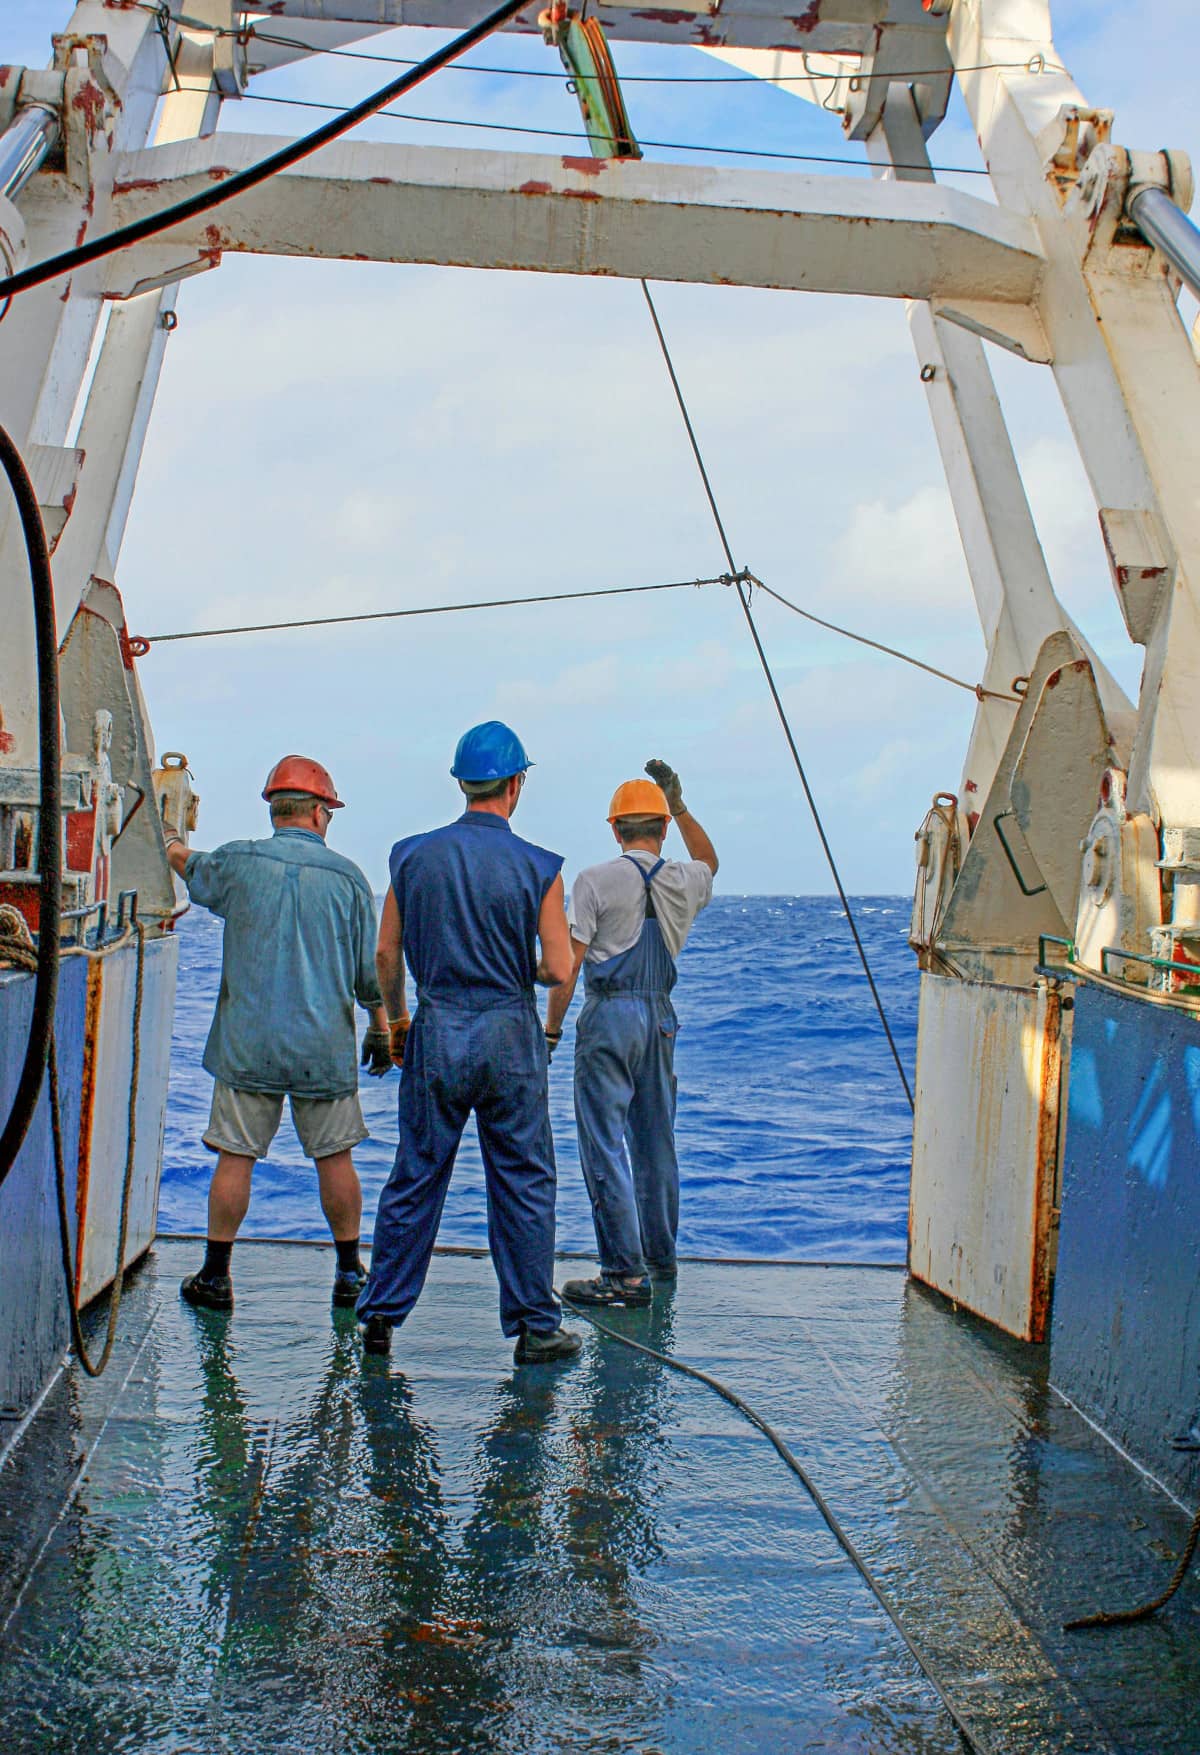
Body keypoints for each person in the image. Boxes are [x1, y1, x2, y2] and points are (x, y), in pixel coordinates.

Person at [357, 721, 582, 1366]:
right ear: (516, 785)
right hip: (509, 1032)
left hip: (438, 1026)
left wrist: (398, 1022)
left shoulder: (410, 855)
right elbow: (560, 968)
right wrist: (525, 966)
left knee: (417, 1173)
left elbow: (385, 952)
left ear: (462, 783)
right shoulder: (541, 867)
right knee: (523, 1178)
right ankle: (536, 1325)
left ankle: (381, 1316)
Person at [164, 756, 391, 1313]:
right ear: (318, 812)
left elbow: (189, 866)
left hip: (248, 1044)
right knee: (335, 1158)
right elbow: (371, 974)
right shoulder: (349, 880)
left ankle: (216, 1278)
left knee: (234, 1157)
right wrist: (382, 1029)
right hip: (322, 1048)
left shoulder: (239, 863)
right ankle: (348, 1274)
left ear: (274, 809)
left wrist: (168, 833)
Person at [546, 759, 717, 1307]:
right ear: (664, 827)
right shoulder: (685, 879)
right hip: (660, 1017)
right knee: (655, 1142)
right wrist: (682, 803)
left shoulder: (594, 880)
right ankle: (660, 1258)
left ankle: (623, 1273)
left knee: (604, 1144)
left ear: (614, 829)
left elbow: (569, 967)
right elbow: (709, 861)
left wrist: (550, 1030)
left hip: (610, 1017)